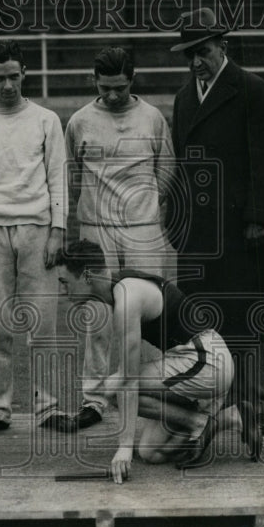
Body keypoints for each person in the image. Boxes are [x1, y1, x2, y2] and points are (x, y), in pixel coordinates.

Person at [44, 47, 176, 433]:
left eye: (120, 87)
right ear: (94, 82)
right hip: (96, 227)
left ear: (132, 80)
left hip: (141, 227)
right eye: (106, 88)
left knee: (150, 314)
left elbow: (165, 169)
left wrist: (145, 209)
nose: (114, 95)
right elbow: (70, 174)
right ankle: (95, 400)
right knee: (97, 317)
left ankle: (153, 396)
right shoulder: (81, 120)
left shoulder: (152, 117)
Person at [56, 239, 261, 483]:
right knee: (150, 452)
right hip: (190, 364)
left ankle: (200, 424)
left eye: (65, 282)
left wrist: (123, 448)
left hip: (207, 362)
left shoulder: (127, 297)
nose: (62, 291)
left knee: (113, 388)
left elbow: (129, 381)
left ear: (87, 275)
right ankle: (224, 418)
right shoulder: (119, 289)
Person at [169, 7, 264, 436]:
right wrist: (177, 218)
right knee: (203, 316)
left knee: (249, 313)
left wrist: (258, 217)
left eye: (203, 51)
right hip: (198, 231)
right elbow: (181, 165)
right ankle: (220, 402)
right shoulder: (183, 99)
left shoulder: (252, 90)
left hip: (241, 228)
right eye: (190, 55)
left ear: (223, 46)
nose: (197, 61)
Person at [0, 39, 67, 436]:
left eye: (14, 77)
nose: (7, 86)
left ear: (25, 74)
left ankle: (48, 406)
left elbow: (58, 178)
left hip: (38, 229)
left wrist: (58, 230)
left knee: (44, 325)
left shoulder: (46, 120)